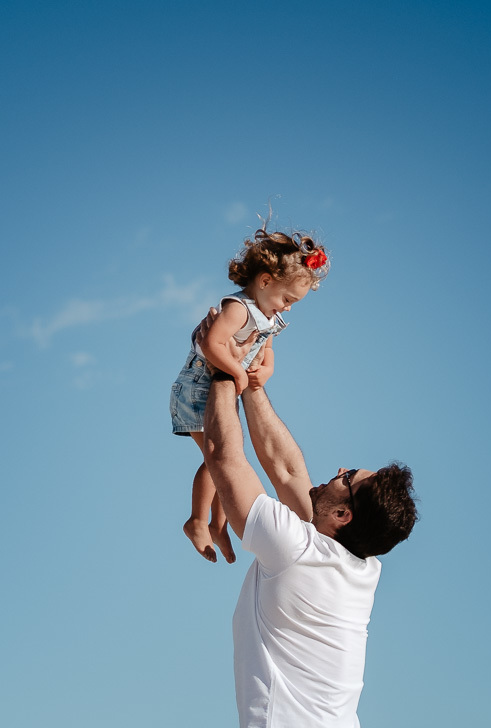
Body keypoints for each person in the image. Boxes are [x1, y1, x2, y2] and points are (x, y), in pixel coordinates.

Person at [198, 322, 419, 727]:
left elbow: (223, 457)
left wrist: (220, 364)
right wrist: (250, 381)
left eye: (347, 476)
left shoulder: (296, 550)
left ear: (342, 515)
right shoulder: (360, 569)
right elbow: (286, 470)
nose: (338, 469)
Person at [170, 226, 329, 563]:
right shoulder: (238, 308)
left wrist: (264, 372)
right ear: (266, 281)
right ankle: (197, 521)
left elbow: (267, 353)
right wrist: (239, 370)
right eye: (287, 299)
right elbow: (212, 343)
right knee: (217, 458)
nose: (287, 309)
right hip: (199, 389)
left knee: (228, 460)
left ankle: (219, 524)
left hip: (226, 387)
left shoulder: (269, 317)